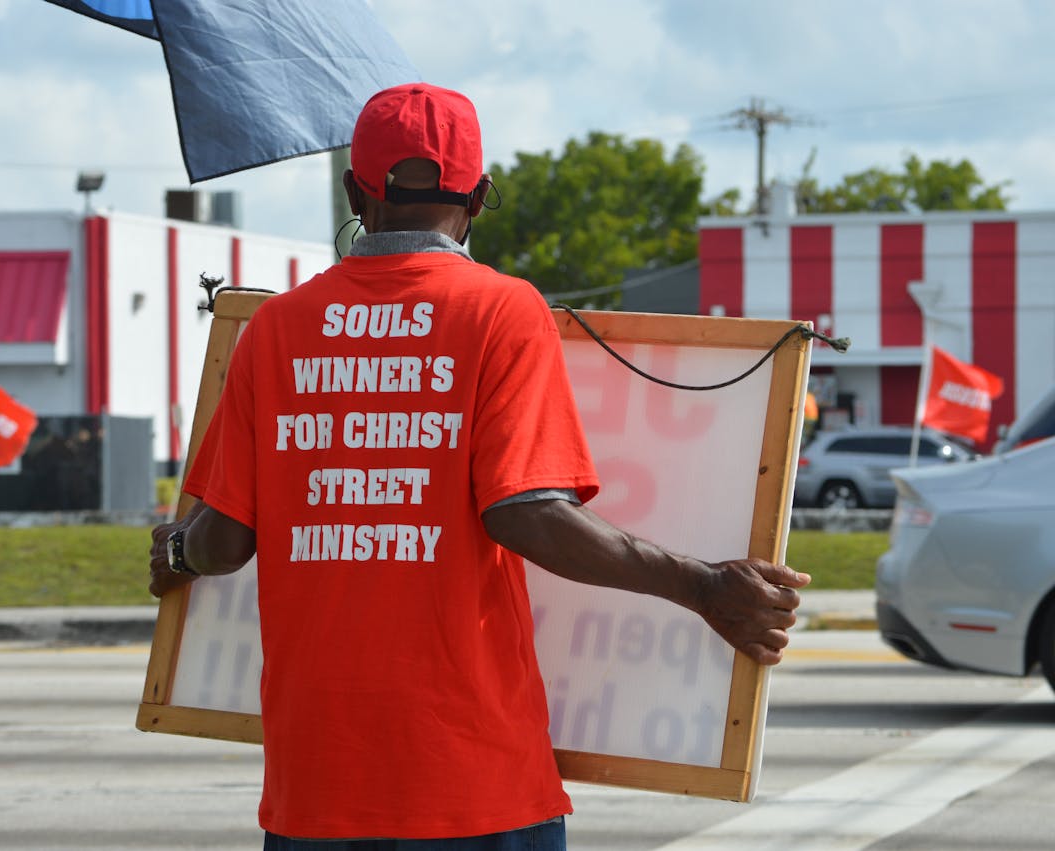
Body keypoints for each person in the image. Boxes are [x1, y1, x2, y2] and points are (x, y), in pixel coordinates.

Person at [149, 82, 810, 851]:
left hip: (315, 788)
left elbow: (224, 540)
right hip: (473, 780)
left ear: (355, 192)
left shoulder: (274, 330)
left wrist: (173, 550)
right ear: (481, 195)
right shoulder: (501, 309)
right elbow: (524, 510)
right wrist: (700, 585)